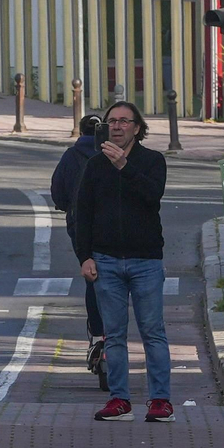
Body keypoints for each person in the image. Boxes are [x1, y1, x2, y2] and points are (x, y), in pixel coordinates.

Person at [71, 99, 172, 424]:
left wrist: (124, 168)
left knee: (152, 332)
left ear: (137, 128)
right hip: (106, 261)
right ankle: (119, 399)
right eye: (112, 121)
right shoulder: (95, 165)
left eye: (124, 121)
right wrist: (84, 256)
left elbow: (152, 195)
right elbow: (82, 212)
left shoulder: (152, 161)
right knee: (114, 335)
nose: (117, 126)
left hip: (145, 260)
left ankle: (160, 401)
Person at [50, 113, 107, 377]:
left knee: (91, 277)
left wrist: (68, 207)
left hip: (79, 225)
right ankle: (114, 337)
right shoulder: (112, 153)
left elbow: (58, 193)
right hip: (109, 226)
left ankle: (97, 336)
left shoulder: (70, 156)